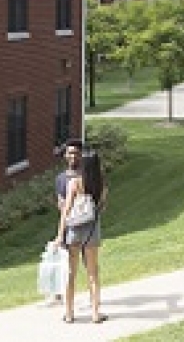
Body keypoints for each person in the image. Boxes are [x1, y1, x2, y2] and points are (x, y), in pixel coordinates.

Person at [55, 150, 109, 324]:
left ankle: (69, 314)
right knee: (93, 273)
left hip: (74, 231)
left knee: (71, 273)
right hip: (92, 231)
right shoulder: (101, 185)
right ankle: (95, 314)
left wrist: (59, 235)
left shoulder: (74, 183)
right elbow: (102, 208)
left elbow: (66, 211)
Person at [50, 139, 83, 305]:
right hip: (67, 224)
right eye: (70, 153)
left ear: (81, 155)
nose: (73, 156)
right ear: (65, 155)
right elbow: (60, 203)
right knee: (65, 262)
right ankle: (59, 293)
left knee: (83, 266)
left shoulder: (86, 176)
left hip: (85, 226)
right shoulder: (60, 178)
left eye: (76, 153)